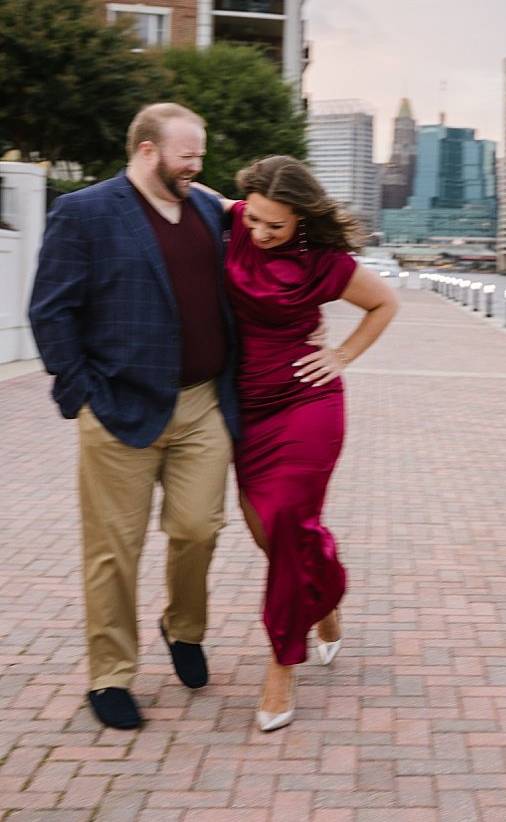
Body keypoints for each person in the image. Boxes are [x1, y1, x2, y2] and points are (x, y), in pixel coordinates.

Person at [28, 103, 240, 732]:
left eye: (200, 154)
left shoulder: (207, 209)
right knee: (113, 551)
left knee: (200, 528)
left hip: (203, 403)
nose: (196, 165)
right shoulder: (85, 212)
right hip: (118, 406)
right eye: (186, 154)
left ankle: (183, 627)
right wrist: (81, 393)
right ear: (148, 150)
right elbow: (51, 311)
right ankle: (111, 675)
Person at [206, 155, 397, 733]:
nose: (260, 233)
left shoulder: (326, 262)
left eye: (275, 226)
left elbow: (385, 303)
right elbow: (175, 192)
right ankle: (326, 599)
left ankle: (281, 663)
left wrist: (340, 355)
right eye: (256, 221)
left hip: (307, 402)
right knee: (270, 531)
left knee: (288, 517)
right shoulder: (232, 220)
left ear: (302, 219)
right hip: (249, 407)